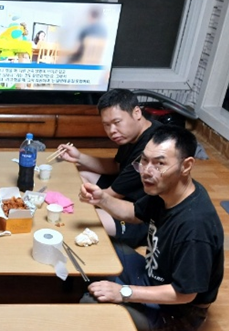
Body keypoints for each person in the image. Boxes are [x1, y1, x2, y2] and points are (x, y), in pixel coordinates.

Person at [78, 125, 224, 331]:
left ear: (186, 166)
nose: (147, 171)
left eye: (159, 164)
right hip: (151, 276)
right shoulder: (168, 189)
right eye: (144, 161)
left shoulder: (195, 226)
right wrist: (102, 198)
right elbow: (133, 213)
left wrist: (124, 292)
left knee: (89, 304)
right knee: (97, 245)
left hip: (178, 313)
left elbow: (185, 294)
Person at [54, 88, 162, 248]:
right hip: (125, 197)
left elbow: (113, 194)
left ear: (137, 112)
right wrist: (79, 157)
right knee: (82, 172)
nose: (112, 131)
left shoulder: (151, 147)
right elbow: (116, 166)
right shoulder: (133, 134)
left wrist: (66, 201)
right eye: (106, 125)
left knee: (77, 217)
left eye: (117, 122)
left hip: (141, 217)